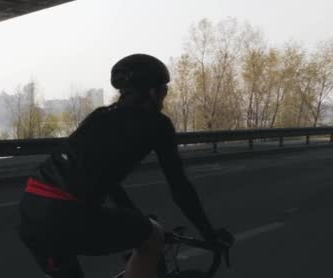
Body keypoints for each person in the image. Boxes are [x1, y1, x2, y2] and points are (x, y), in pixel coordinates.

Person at [17, 54, 233, 278]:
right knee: (153, 236)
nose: (163, 99)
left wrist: (134, 216)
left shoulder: (99, 116)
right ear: (153, 92)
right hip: (67, 215)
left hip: (31, 210)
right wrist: (209, 234)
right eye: (164, 92)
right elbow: (180, 188)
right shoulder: (157, 124)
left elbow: (106, 180)